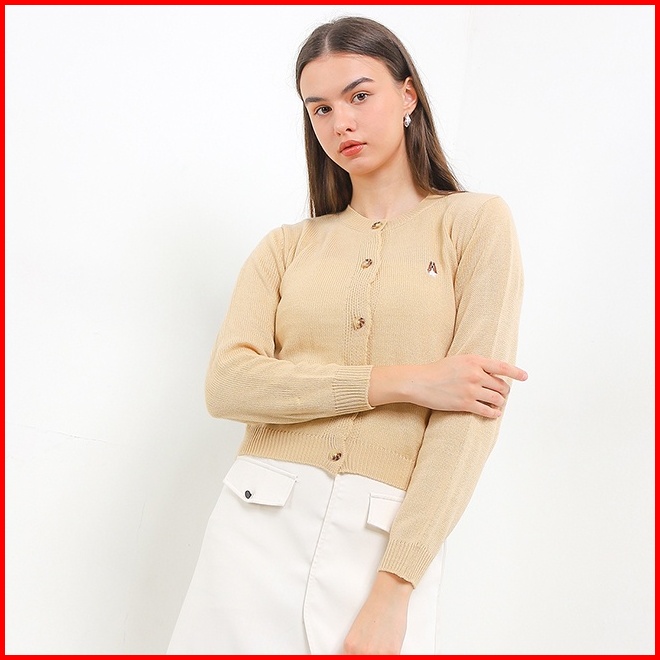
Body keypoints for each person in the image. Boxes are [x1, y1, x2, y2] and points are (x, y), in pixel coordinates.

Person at [167, 16, 526, 656]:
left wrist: (395, 587)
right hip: (255, 522)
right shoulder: (285, 247)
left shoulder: (476, 224)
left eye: (360, 95)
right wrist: (406, 382)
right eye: (321, 108)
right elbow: (228, 386)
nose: (342, 123)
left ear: (408, 95)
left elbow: (469, 420)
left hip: (382, 537)